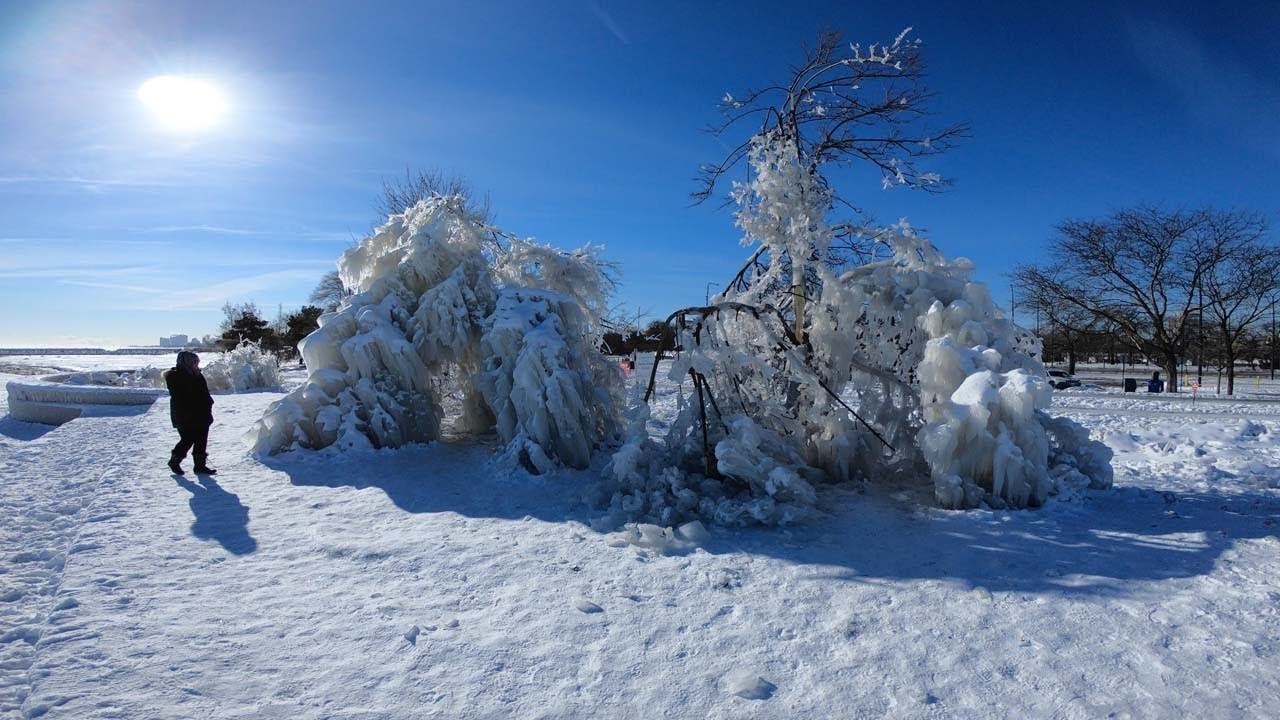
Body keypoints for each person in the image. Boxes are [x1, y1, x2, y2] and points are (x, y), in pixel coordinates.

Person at [164, 350, 216, 475]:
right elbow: (183, 396)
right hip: (184, 414)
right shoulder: (176, 377)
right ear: (186, 363)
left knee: (201, 439)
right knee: (188, 438)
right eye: (194, 363)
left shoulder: (196, 374)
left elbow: (203, 392)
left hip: (201, 413)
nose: (197, 365)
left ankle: (200, 466)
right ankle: (174, 461)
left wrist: (208, 403)